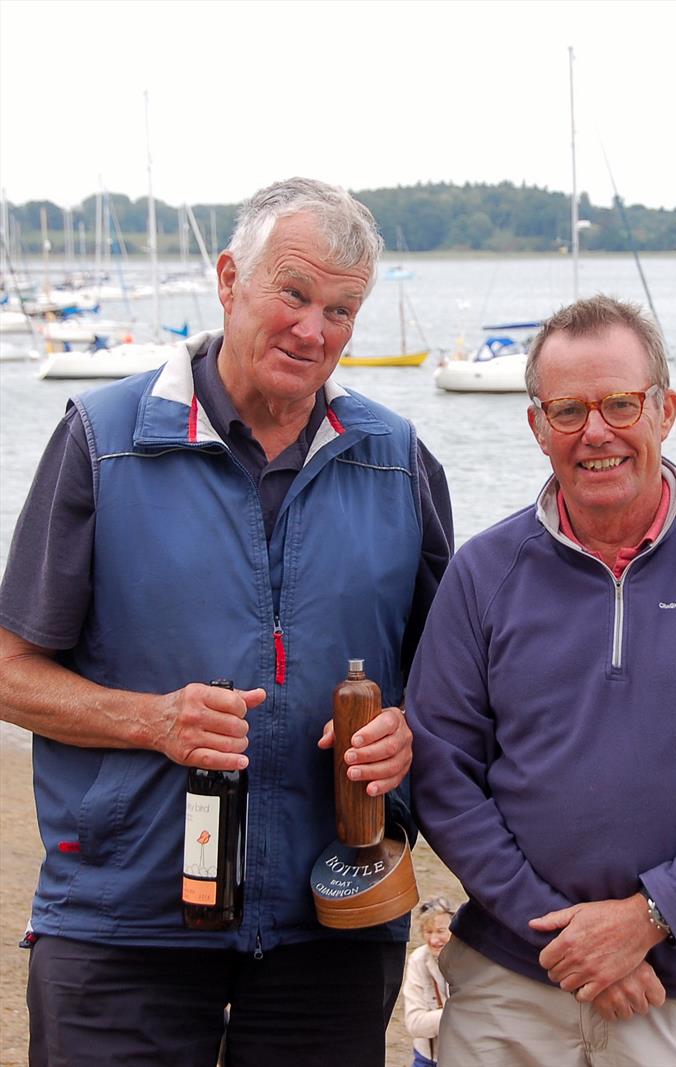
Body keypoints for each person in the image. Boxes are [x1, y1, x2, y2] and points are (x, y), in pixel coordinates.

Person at [0, 177, 453, 1067]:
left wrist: (412, 735)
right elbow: (11, 668)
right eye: (292, 293)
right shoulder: (104, 437)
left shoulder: (398, 462)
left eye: (341, 310)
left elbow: (458, 685)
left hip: (335, 920)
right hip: (122, 921)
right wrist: (153, 720)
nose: (313, 330)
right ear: (227, 277)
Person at [405, 294, 676, 1067]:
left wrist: (651, 917)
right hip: (511, 980)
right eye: (569, 409)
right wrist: (561, 935)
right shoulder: (483, 573)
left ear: (665, 410)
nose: (596, 432)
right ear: (536, 426)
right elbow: (442, 772)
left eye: (620, 403)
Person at [402, 897, 454, 1066]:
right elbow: (414, 1024)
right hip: (427, 1057)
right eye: (428, 931)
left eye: (440, 931)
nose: (433, 940)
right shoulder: (417, 960)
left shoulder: (471, 960)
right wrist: (457, 1012)